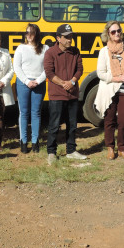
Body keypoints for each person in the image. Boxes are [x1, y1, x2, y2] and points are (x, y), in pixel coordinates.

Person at [94, 20, 124, 160]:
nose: (117, 33)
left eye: (118, 31)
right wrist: (117, 78)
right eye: (113, 31)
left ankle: (122, 148)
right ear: (108, 33)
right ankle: (110, 148)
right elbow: (100, 73)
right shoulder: (103, 51)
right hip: (109, 90)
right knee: (109, 120)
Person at [44, 23, 86, 164]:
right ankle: (51, 152)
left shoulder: (75, 51)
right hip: (57, 94)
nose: (70, 39)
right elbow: (49, 73)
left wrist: (72, 82)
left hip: (72, 94)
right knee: (54, 125)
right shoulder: (50, 53)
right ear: (58, 38)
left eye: (71, 36)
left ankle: (71, 150)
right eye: (66, 37)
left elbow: (79, 69)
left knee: (72, 124)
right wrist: (63, 83)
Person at [13, 23, 48, 154]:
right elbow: (17, 67)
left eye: (31, 33)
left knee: (36, 112)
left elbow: (47, 68)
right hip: (23, 83)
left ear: (36, 34)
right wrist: (27, 81)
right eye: (26, 33)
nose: (28, 35)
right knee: (24, 113)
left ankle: (35, 142)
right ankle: (23, 141)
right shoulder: (21, 48)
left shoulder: (45, 48)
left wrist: (38, 81)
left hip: (39, 84)